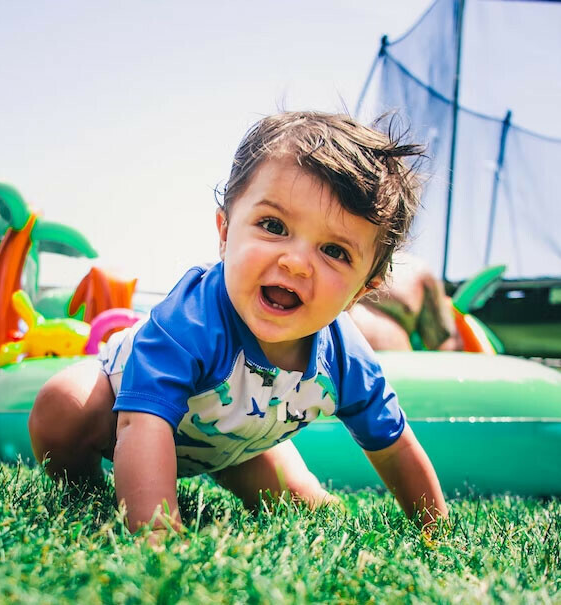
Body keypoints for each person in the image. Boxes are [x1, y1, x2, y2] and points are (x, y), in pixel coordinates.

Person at [28, 111, 448, 537]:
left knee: (306, 511)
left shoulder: (345, 357)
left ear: (361, 290)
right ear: (225, 232)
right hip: (124, 409)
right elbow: (141, 424)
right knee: (62, 407)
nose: (296, 262)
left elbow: (395, 446)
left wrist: (436, 531)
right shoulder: (192, 319)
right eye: (274, 226)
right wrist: (157, 536)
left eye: (335, 251)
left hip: (236, 442)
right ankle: (86, 489)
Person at [349, 251, 463, 352]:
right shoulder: (337, 256)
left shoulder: (416, 269)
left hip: (395, 371)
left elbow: (447, 344)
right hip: (336, 367)